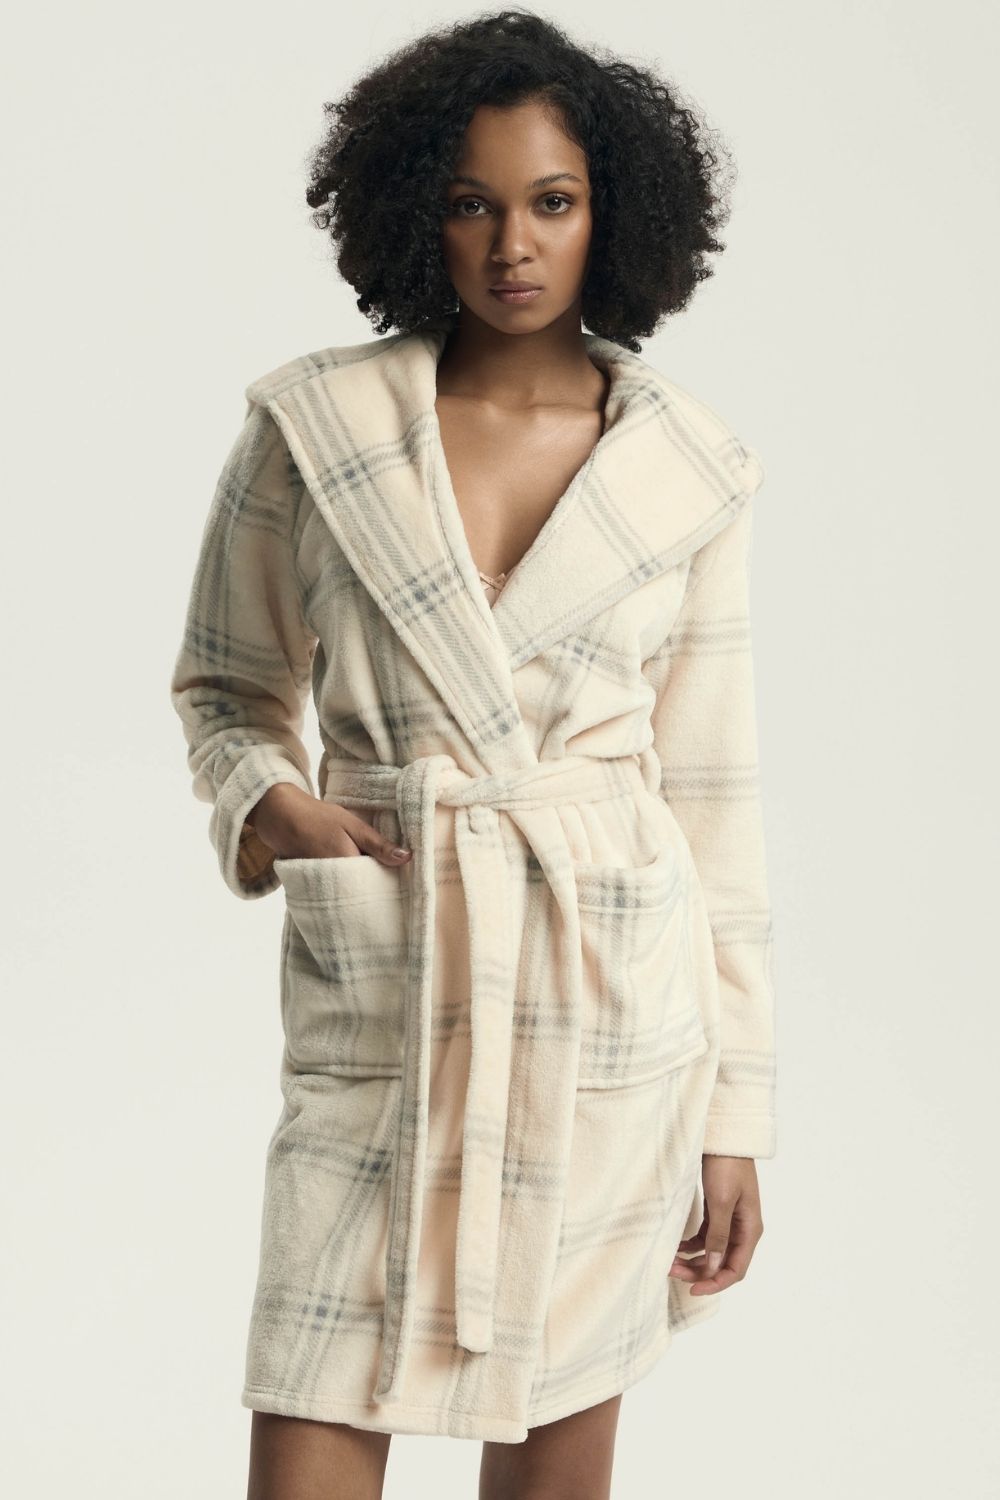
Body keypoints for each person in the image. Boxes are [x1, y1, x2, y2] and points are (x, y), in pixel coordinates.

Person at [169, 10, 777, 1498]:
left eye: (553, 202)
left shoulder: (685, 465)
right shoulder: (315, 429)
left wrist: (736, 1115)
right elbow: (226, 686)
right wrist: (277, 809)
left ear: (611, 214)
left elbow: (711, 802)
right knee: (311, 1419)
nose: (514, 245)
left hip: (607, 997)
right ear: (412, 212)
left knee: (556, 1452)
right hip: (394, 974)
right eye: (471, 202)